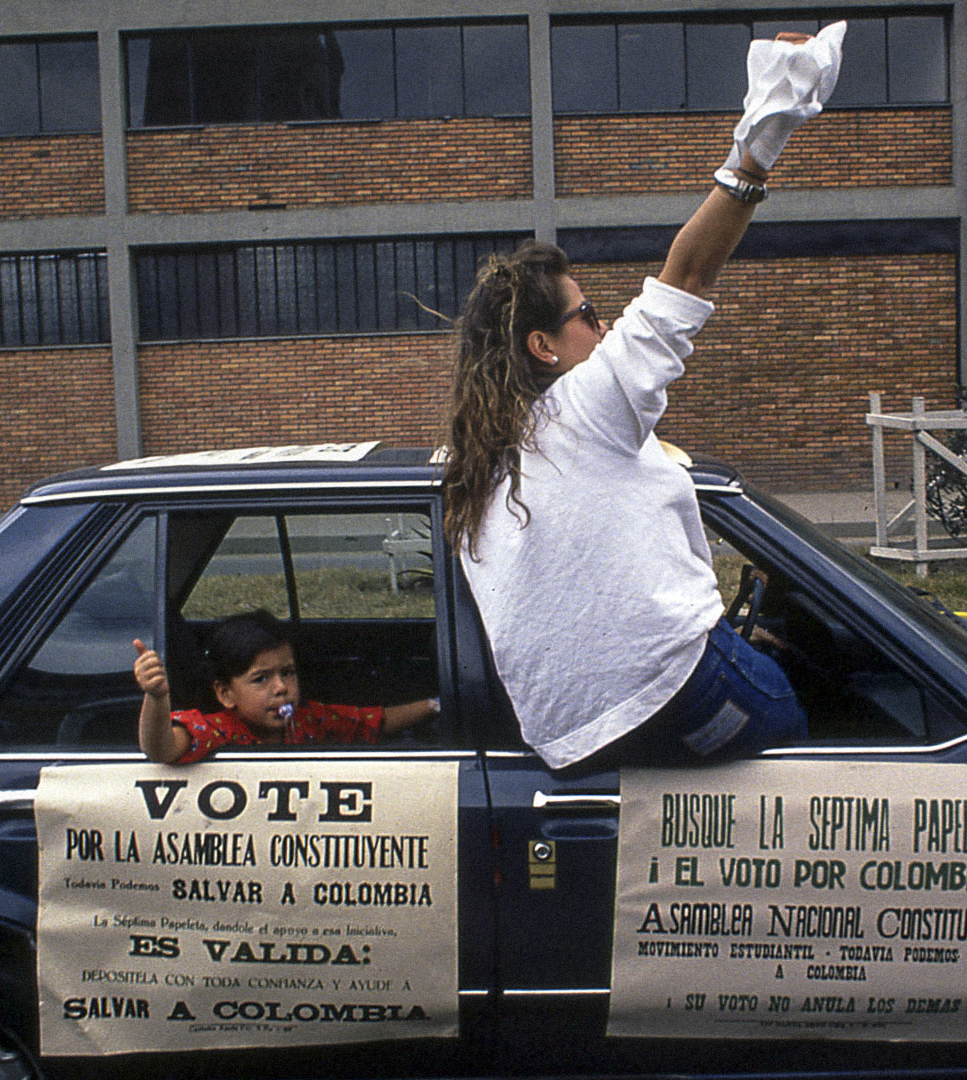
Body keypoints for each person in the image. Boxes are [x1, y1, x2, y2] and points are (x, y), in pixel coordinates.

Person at [441, 25, 845, 771]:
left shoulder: (478, 459)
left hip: (567, 742)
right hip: (671, 693)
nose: (604, 327)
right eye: (589, 316)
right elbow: (686, 275)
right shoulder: (586, 405)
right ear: (542, 346)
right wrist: (761, 141)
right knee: (805, 722)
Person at [133, 609, 439, 763]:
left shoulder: (307, 720)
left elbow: (375, 722)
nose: (281, 688)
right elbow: (161, 749)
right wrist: (157, 698)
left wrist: (433, 705)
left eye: (288, 673)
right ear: (226, 694)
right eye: (261, 679)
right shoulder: (219, 731)